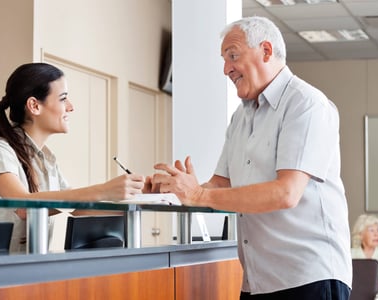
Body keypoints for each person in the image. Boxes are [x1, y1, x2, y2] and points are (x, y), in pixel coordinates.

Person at [149, 16, 352, 299]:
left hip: (308, 278)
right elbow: (220, 186)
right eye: (223, 59)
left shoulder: (306, 104)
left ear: (266, 51)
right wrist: (176, 188)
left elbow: (286, 193)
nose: (225, 69)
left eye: (232, 56)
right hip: (258, 280)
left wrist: (198, 195)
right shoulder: (241, 116)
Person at [0, 62, 146, 253]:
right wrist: (104, 190)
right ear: (34, 106)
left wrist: (140, 196)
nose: (71, 107)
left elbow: (78, 208)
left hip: (25, 268)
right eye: (63, 99)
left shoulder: (47, 159)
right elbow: (24, 206)